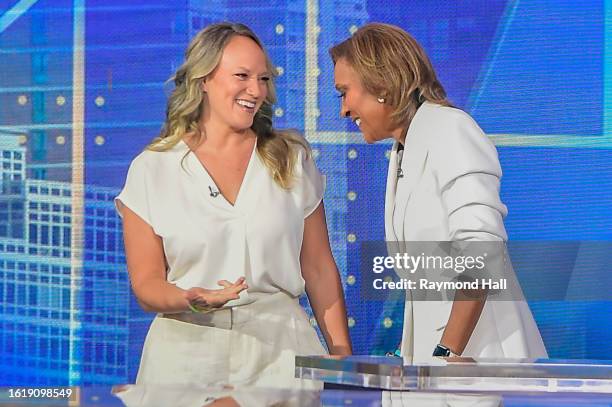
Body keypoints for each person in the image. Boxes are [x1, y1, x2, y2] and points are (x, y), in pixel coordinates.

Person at [115, 22, 352, 388]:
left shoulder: (290, 159)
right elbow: (146, 283)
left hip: (280, 354)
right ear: (203, 79)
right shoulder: (153, 168)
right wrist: (189, 298)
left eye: (263, 79)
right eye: (242, 76)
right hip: (184, 360)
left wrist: (341, 363)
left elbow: (319, 269)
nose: (255, 91)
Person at [330, 23, 547, 362]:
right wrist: (410, 350)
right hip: (435, 365)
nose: (343, 109)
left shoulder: (450, 130)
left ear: (381, 84)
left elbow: (481, 253)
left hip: (476, 358)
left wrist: (446, 352)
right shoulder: (405, 149)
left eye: (345, 92)